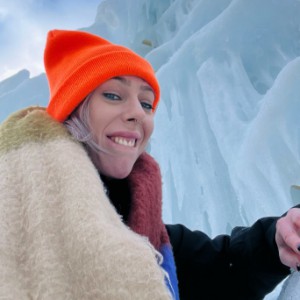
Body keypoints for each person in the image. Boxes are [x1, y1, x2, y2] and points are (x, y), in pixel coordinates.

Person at [0, 29, 300, 300]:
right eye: (113, 95)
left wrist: (275, 240)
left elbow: (225, 270)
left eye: (146, 104)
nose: (137, 114)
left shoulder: (149, 236)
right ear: (72, 112)